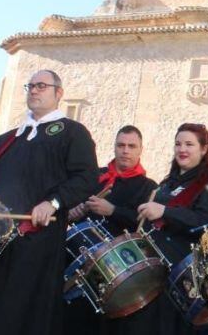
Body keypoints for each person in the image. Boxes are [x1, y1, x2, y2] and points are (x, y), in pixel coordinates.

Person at [0, 70, 99, 335]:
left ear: (58, 93)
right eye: (31, 86)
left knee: (23, 314)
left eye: (42, 86)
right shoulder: (4, 141)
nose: (34, 91)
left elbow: (86, 178)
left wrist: (53, 202)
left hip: (36, 243)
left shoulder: (73, 133)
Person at [63, 125, 158, 333]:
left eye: (131, 146)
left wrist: (112, 210)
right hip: (75, 261)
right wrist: (73, 212)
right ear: (114, 147)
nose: (125, 150)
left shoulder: (148, 187)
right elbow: (68, 207)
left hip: (115, 269)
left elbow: (141, 225)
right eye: (121, 145)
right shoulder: (95, 177)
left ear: (140, 149)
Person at [134, 123, 208, 334]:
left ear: (203, 149)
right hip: (154, 273)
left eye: (189, 144)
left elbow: (205, 222)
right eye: (178, 144)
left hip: (183, 277)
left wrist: (165, 212)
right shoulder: (166, 185)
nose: (182, 149)